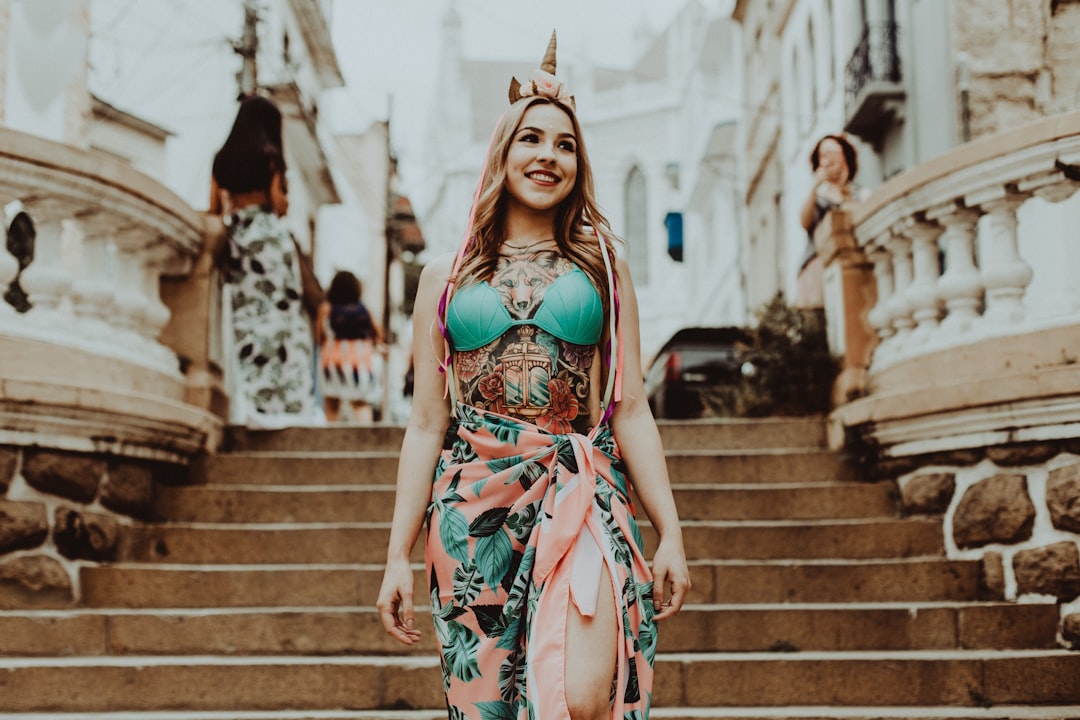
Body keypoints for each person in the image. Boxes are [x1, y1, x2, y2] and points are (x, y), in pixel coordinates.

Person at [376, 32, 690, 720]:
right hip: (471, 510)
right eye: (533, 140)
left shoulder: (606, 267)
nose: (549, 155)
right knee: (486, 705)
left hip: (579, 489)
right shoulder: (446, 276)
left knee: (580, 698)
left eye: (566, 144)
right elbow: (427, 423)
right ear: (502, 153)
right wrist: (397, 554)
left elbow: (630, 406)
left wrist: (669, 530)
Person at [209, 93, 315, 427]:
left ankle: (254, 400)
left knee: (248, 323)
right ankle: (284, 405)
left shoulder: (221, 160)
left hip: (241, 241)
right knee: (281, 325)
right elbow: (279, 205)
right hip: (270, 241)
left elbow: (214, 210)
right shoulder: (270, 159)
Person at [797, 133, 862, 309]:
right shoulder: (819, 198)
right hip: (820, 267)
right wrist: (815, 185)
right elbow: (805, 222)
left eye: (833, 152)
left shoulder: (859, 194)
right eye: (823, 155)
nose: (828, 160)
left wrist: (843, 183)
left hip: (853, 265)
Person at [315, 270, 383, 424]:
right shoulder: (364, 310)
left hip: (332, 361)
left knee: (332, 404)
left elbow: (319, 336)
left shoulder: (326, 308)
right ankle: (365, 439)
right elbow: (377, 334)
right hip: (360, 360)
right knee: (360, 404)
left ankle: (331, 440)